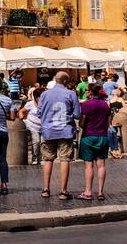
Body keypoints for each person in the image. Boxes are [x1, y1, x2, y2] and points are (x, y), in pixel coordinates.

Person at [39, 70, 81, 200]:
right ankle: (63, 191)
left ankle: (46, 189)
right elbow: (77, 114)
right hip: (65, 130)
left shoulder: (44, 94)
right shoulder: (71, 94)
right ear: (66, 81)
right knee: (65, 159)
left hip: (48, 130)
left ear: (55, 80)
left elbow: (39, 112)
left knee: (47, 159)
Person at [78, 83, 112, 200]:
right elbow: (108, 123)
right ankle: (100, 192)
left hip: (88, 136)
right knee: (101, 165)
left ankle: (88, 192)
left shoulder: (86, 105)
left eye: (87, 91)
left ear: (90, 92)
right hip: (102, 136)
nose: (86, 92)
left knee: (89, 166)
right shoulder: (105, 105)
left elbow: (81, 123)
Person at [21, 84, 43, 165]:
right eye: (41, 97)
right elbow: (21, 111)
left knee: (41, 143)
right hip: (32, 126)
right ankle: (35, 158)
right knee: (36, 142)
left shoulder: (45, 104)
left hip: (42, 127)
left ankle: (39, 158)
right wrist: (21, 120)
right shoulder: (30, 104)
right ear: (36, 97)